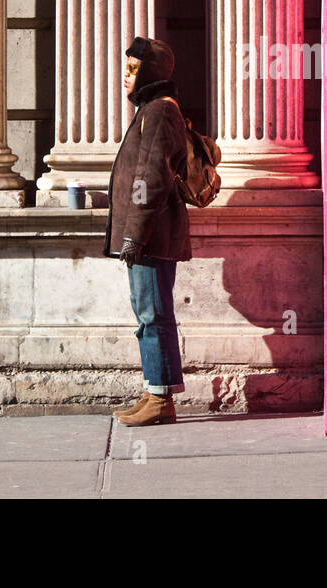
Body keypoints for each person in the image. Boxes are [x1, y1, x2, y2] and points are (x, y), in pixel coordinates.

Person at [103, 35, 192, 426]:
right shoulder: (151, 110)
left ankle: (160, 399)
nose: (126, 75)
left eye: (134, 69)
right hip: (147, 235)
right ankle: (154, 390)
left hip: (150, 237)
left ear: (151, 72)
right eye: (126, 67)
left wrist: (133, 236)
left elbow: (151, 178)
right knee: (150, 314)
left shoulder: (158, 111)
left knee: (152, 314)